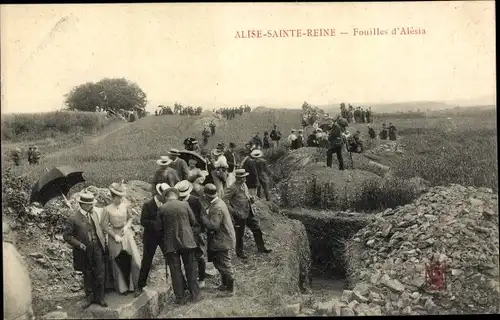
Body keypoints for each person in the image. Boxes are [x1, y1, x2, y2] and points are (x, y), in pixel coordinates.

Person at [64, 192, 108, 308]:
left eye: (92, 204)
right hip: (84, 251)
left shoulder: (93, 214)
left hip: (97, 247)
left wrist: (103, 242)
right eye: (89, 204)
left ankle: (100, 298)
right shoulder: (73, 219)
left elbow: (98, 230)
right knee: (87, 273)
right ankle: (89, 298)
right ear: (82, 204)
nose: (92, 206)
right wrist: (79, 244)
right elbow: (67, 236)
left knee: (100, 272)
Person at [158, 186, 201, 305]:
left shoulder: (161, 208)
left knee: (175, 271)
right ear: (176, 196)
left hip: (171, 245)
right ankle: (195, 295)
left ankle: (180, 298)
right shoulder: (185, 205)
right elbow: (193, 222)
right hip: (187, 241)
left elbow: (158, 228)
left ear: (166, 197)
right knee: (191, 269)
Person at [101, 183, 141, 294]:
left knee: (134, 259)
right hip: (114, 235)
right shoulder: (107, 209)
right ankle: (122, 288)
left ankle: (135, 286)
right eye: (118, 197)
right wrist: (114, 235)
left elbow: (130, 218)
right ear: (113, 197)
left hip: (126, 233)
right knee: (117, 261)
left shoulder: (126, 205)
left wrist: (127, 226)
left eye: (121, 197)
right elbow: (103, 225)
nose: (120, 199)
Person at [223, 169, 272, 260]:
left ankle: (261, 247)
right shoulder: (232, 187)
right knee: (240, 234)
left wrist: (250, 198)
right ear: (237, 178)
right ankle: (239, 252)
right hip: (239, 214)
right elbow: (224, 199)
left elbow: (246, 195)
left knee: (256, 228)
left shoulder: (244, 185)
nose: (244, 178)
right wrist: (233, 211)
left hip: (248, 211)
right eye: (242, 177)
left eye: (244, 177)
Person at [200, 184, 236, 296]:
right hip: (222, 239)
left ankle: (230, 290)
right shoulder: (217, 202)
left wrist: (203, 217)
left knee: (225, 264)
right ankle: (224, 285)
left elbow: (213, 225)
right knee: (219, 263)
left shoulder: (216, 207)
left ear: (206, 195)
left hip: (223, 240)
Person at [136, 183, 171, 297]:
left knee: (170, 256)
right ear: (158, 194)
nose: (165, 197)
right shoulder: (148, 205)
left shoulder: (166, 204)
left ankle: (176, 281)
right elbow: (143, 221)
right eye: (164, 195)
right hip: (150, 237)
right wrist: (154, 225)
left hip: (163, 236)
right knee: (147, 260)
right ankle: (140, 285)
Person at [175, 180, 207, 288]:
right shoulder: (178, 202)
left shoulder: (195, 200)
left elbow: (202, 217)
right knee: (189, 257)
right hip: (184, 232)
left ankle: (202, 278)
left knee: (199, 255)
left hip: (195, 232)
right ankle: (193, 278)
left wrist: (200, 231)